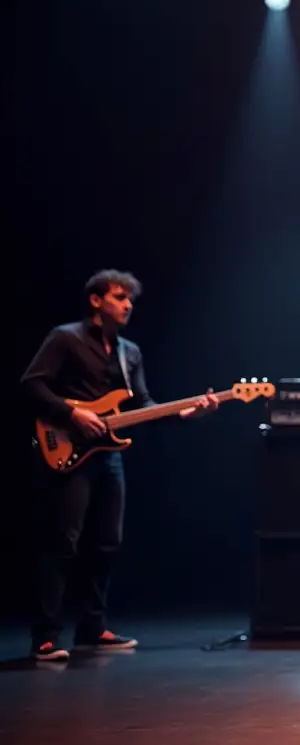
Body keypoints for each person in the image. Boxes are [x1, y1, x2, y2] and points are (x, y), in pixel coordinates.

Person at [20, 270, 218, 662]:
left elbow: (143, 406)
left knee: (107, 542)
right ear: (96, 301)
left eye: (130, 300)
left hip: (108, 456)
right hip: (67, 449)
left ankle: (92, 628)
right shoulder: (66, 338)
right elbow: (32, 384)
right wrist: (73, 415)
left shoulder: (130, 352)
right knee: (63, 543)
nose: (127, 305)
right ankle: (45, 635)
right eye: (119, 297)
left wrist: (186, 413)